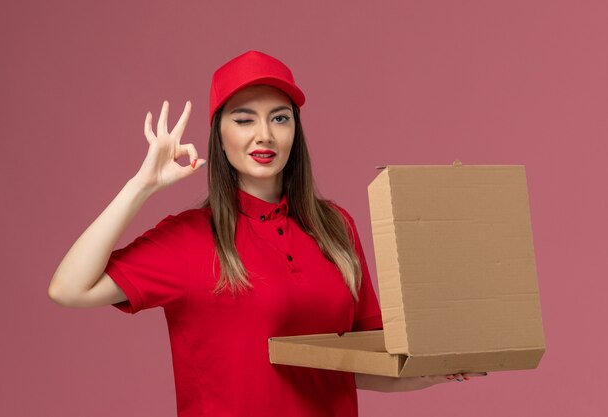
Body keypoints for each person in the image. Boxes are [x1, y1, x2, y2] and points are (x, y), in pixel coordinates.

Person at [48, 50, 485, 417]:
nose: (265, 135)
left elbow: (349, 367)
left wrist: (433, 368)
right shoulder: (188, 238)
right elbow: (69, 288)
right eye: (244, 119)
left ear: (295, 130)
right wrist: (140, 186)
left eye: (279, 118)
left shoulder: (335, 228)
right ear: (218, 135)